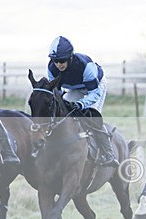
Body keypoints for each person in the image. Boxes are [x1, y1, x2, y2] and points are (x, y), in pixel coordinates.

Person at [46, 36, 118, 167]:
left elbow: (94, 93)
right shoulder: (51, 68)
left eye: (62, 60)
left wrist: (82, 104)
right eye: (55, 60)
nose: (58, 64)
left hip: (95, 87)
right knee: (63, 113)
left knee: (91, 116)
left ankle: (109, 153)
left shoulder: (85, 66)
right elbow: (56, 93)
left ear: (70, 57)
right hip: (75, 89)